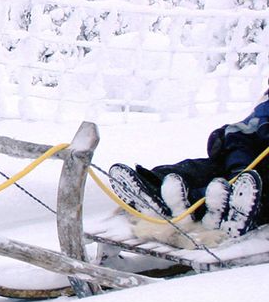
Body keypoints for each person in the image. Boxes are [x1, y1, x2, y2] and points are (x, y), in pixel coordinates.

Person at [109, 82, 269, 239]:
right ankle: (154, 187)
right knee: (204, 169)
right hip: (248, 158)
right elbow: (244, 130)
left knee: (251, 187)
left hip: (257, 180)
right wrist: (234, 153)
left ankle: (222, 211)